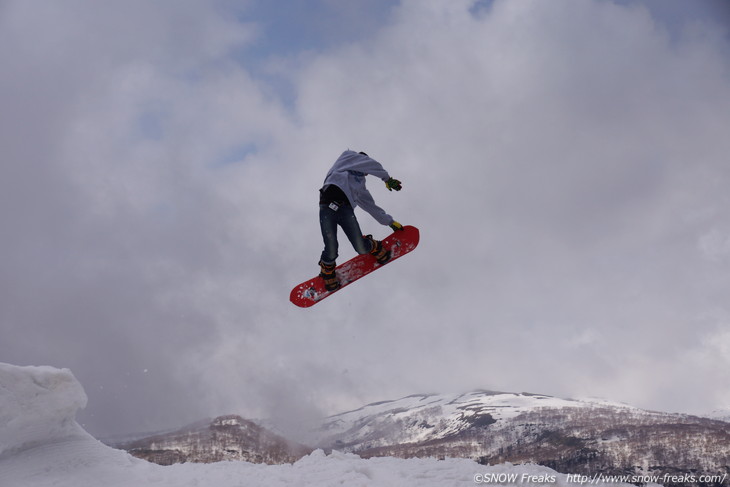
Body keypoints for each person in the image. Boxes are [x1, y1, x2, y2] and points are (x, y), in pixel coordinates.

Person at [318, 150, 403, 291]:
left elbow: (371, 206)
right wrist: (387, 179)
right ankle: (327, 270)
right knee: (331, 248)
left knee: (361, 248)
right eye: (366, 170)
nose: (366, 173)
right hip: (327, 204)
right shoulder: (347, 158)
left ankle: (373, 246)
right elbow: (371, 164)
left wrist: (389, 221)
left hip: (345, 209)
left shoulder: (360, 187)